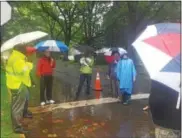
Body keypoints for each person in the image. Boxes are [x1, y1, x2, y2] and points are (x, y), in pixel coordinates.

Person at [5, 45, 35, 134]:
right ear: (21, 50)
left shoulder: (16, 56)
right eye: (25, 49)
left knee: (25, 99)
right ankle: (17, 127)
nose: (26, 50)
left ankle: (25, 113)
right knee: (17, 106)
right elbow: (23, 70)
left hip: (19, 83)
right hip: (18, 85)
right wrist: (30, 64)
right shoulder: (18, 59)